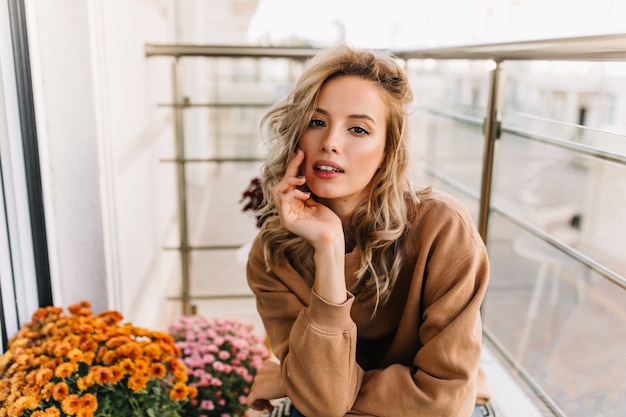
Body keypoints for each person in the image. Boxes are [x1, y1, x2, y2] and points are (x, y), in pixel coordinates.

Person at [245, 44, 493, 417]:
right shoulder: (272, 255)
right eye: (317, 122)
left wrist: (298, 379)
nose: (330, 142)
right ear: (298, 135)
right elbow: (323, 403)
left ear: (387, 152)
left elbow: (443, 404)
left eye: (358, 129)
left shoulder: (443, 229)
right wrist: (328, 249)